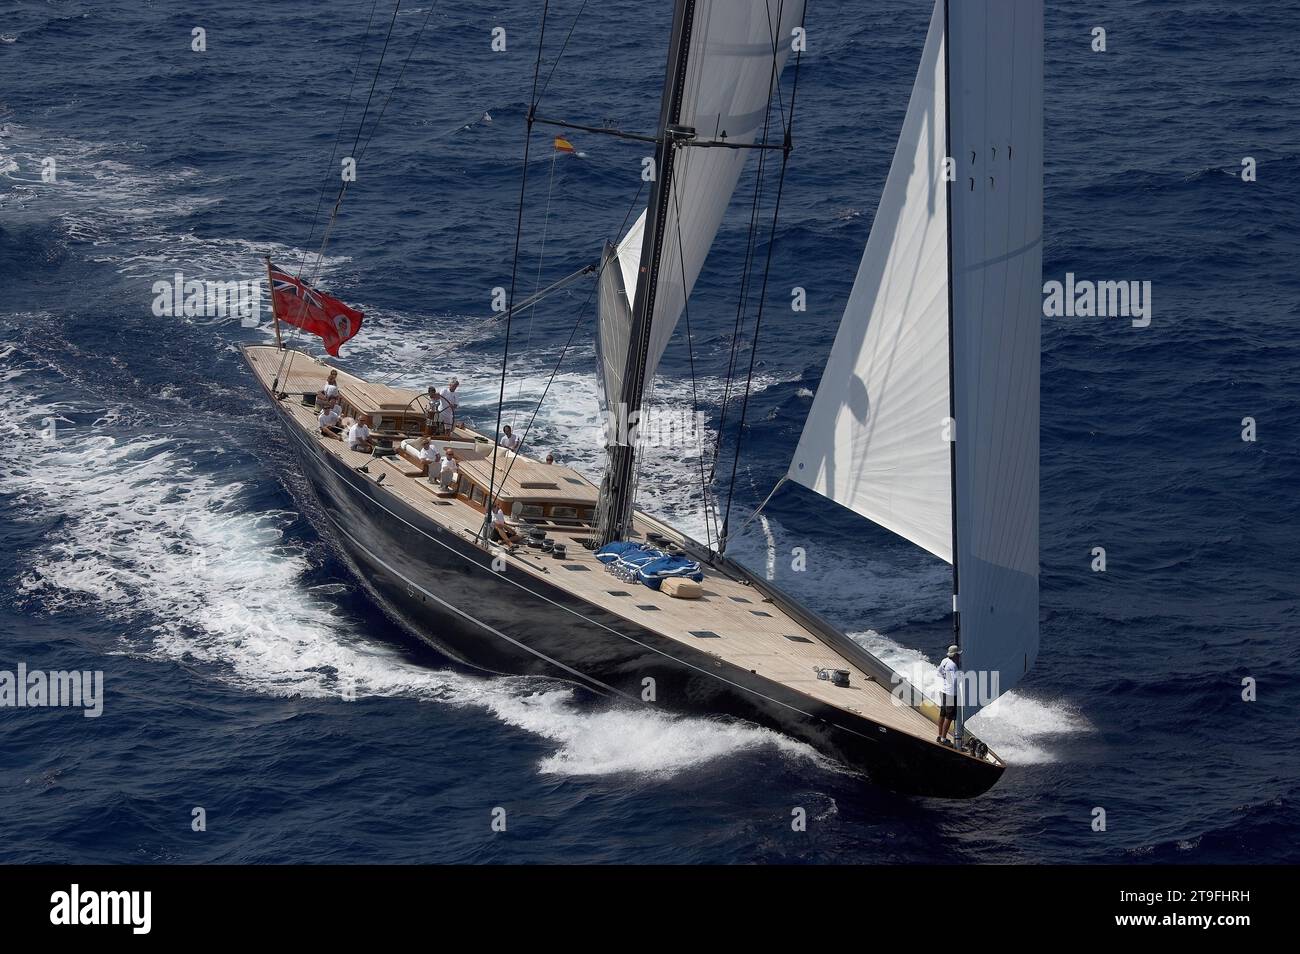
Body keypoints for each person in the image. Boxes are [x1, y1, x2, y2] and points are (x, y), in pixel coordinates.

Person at [936, 644, 961, 746]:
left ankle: (939, 735)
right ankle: (943, 739)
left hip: (944, 691)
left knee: (942, 713)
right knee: (949, 716)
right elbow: (955, 681)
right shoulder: (953, 665)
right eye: (958, 654)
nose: (959, 656)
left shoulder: (944, 661)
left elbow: (939, 672)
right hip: (951, 694)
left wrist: (947, 680)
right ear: (955, 655)